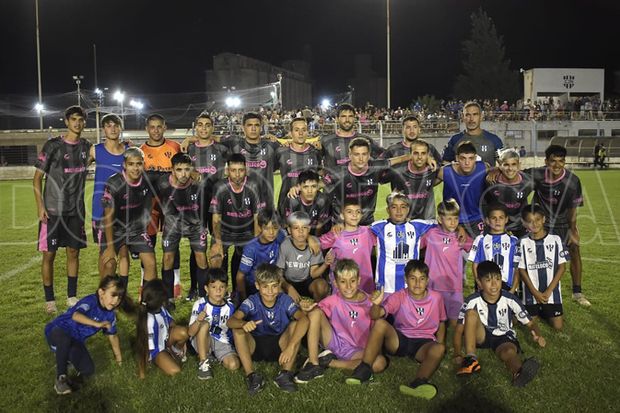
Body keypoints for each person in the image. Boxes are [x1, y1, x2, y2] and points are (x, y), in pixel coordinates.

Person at [345, 260, 446, 400]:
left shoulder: (436, 298)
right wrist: (375, 305)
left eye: (421, 279)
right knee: (380, 324)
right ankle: (365, 368)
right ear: (405, 279)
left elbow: (441, 322)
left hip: (424, 343)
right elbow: (375, 315)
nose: (417, 283)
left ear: (427, 280)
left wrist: (439, 344)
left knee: (439, 348)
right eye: (413, 278)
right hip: (400, 339)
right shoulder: (399, 296)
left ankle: (418, 383)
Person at [34, 106, 92, 313]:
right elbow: (37, 178)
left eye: (81, 120)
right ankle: (49, 300)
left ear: (84, 123)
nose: (77, 123)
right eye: (73, 119)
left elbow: (108, 152)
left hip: (75, 211)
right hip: (52, 210)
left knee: (73, 252)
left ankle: (71, 297)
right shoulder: (52, 146)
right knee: (49, 255)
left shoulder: (87, 146)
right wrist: (40, 206)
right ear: (66, 122)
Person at [294, 259, 387, 384]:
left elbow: (378, 329)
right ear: (336, 284)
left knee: (379, 363)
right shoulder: (332, 300)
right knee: (315, 313)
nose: (348, 286)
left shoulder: (370, 301)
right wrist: (306, 309)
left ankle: (329, 362)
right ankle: (313, 363)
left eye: (352, 281)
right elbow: (314, 315)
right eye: (343, 282)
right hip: (334, 342)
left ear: (359, 280)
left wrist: (376, 306)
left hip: (357, 350)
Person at [456, 261, 546, 387]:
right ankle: (471, 359)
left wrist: (537, 335)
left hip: (503, 336)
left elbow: (530, 323)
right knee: (471, 314)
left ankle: (518, 373)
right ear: (479, 283)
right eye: (488, 280)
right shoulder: (472, 300)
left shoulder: (510, 298)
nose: (494, 284)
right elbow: (459, 329)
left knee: (508, 351)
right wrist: (457, 353)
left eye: (497, 279)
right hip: (481, 335)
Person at [227, 264, 309, 394]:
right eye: (265, 286)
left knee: (295, 325)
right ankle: (251, 376)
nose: (270, 291)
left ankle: (285, 374)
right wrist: (243, 324)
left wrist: (291, 347)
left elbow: (304, 319)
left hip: (280, 345)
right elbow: (230, 321)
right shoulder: (252, 301)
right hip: (255, 345)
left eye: (274, 286)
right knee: (238, 329)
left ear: (279, 285)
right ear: (257, 286)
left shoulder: (285, 300)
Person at [528, 145, 590, 307]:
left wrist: (573, 230)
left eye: (561, 161)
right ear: (546, 161)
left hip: (562, 223)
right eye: (552, 161)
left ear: (565, 162)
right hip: (541, 224)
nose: (556, 165)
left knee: (575, 249)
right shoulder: (537, 174)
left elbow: (572, 210)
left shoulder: (573, 181)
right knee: (535, 257)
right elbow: (514, 175)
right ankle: (533, 291)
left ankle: (577, 292)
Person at [44, 275, 124, 395]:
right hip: (57, 330)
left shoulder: (110, 315)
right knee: (65, 339)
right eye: (113, 295)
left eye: (119, 297)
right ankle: (60, 378)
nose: (116, 301)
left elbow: (112, 336)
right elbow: (76, 316)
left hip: (74, 340)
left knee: (88, 370)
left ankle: (67, 361)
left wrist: (119, 360)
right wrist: (96, 324)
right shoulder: (90, 301)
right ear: (101, 292)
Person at [156, 153, 209, 308]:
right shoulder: (162, 183)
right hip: (173, 225)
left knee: (201, 258)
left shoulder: (199, 185)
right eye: (179, 170)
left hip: (195, 225)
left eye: (187, 169)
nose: (184, 174)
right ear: (172, 170)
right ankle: (168, 298)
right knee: (167, 259)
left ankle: (203, 297)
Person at [186, 112, 229, 300]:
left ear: (212, 128)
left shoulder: (221, 148)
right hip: (196, 205)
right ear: (196, 127)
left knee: (221, 246)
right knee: (197, 248)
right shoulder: (188, 148)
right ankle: (195, 287)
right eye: (200, 125)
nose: (204, 128)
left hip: (219, 204)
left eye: (207, 125)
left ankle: (223, 286)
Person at [99, 148, 157, 285]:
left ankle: (146, 303)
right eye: (131, 164)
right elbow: (108, 217)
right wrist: (111, 247)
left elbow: (171, 174)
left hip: (136, 230)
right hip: (114, 229)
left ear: (144, 164)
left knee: (151, 262)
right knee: (109, 264)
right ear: (124, 165)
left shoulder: (148, 179)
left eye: (139, 164)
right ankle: (105, 302)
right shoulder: (114, 183)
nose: (135, 168)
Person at [140, 113, 183, 297]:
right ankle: (145, 283)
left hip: (171, 203)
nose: (156, 130)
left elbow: (182, 172)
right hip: (150, 205)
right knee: (147, 243)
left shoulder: (174, 147)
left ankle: (176, 284)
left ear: (164, 127)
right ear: (147, 129)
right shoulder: (141, 151)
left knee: (172, 244)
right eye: (152, 127)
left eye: (159, 126)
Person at [327, 137, 410, 226]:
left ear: (369, 155)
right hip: (342, 226)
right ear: (350, 155)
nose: (361, 158)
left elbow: (398, 160)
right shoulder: (337, 172)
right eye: (356, 154)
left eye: (364, 154)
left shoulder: (375, 167)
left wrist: (417, 156)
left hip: (367, 224)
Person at [209, 153, 261, 287]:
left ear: (246, 170)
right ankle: (220, 293)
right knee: (216, 258)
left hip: (246, 232)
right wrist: (218, 243)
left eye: (241, 170)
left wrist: (256, 243)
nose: (237, 174)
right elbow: (216, 219)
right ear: (227, 171)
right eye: (233, 170)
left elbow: (257, 217)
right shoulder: (220, 187)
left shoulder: (253, 185)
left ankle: (238, 292)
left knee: (249, 262)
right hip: (224, 231)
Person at [420, 199, 473, 327]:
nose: (453, 222)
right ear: (440, 219)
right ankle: (439, 344)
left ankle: (455, 346)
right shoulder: (430, 234)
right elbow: (415, 244)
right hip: (434, 287)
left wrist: (462, 230)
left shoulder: (460, 237)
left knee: (457, 323)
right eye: (449, 219)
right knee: (436, 323)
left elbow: (476, 247)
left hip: (454, 288)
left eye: (456, 218)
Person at [372, 192, 436, 295]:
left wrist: (460, 228)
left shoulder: (417, 226)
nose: (399, 211)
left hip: (410, 285)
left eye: (403, 207)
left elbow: (442, 221)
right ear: (388, 210)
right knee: (384, 311)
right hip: (386, 285)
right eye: (394, 207)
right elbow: (358, 229)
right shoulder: (378, 227)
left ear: (408, 210)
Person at [518, 205, 567, 330]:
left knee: (558, 327)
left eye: (537, 219)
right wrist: (535, 292)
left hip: (551, 293)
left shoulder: (556, 239)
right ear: (524, 223)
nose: (534, 224)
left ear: (544, 219)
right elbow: (521, 270)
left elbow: (562, 267)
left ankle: (545, 311)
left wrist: (549, 290)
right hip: (531, 293)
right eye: (529, 221)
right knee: (529, 326)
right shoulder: (522, 243)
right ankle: (535, 310)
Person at [220, 112, 281, 210]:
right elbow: (210, 139)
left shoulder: (272, 145)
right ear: (243, 127)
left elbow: (291, 147)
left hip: (266, 205)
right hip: (238, 205)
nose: (253, 128)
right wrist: (188, 140)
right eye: (249, 125)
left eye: (256, 125)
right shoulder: (234, 143)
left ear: (261, 127)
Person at [188, 268, 240, 380]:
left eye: (222, 287)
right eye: (214, 287)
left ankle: (213, 355)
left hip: (221, 340)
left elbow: (231, 329)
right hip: (201, 338)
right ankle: (203, 363)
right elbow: (190, 332)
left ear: (226, 288)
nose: (218, 291)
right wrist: (198, 320)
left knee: (234, 365)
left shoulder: (230, 307)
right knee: (205, 324)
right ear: (206, 289)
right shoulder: (200, 304)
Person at [320, 103, 384, 189]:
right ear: (337, 119)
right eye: (343, 116)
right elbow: (312, 162)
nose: (347, 119)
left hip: (360, 193)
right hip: (334, 194)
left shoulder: (365, 140)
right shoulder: (326, 141)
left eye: (350, 116)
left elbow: (384, 156)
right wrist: (324, 173)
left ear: (354, 118)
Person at [320, 199, 376, 293]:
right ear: (342, 215)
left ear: (361, 215)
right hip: (343, 285)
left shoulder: (368, 232)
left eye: (358, 212)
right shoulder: (336, 233)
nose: (354, 215)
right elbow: (315, 244)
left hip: (365, 283)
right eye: (349, 212)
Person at [136, 279, 189, 378]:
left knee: (184, 332)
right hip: (156, 351)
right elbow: (144, 347)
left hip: (165, 341)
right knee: (176, 371)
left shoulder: (161, 309)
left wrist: (179, 339)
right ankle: (160, 360)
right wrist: (142, 372)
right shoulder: (149, 320)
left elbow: (171, 322)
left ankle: (175, 351)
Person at [438, 140, 490, 237]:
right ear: (457, 158)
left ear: (475, 158)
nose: (467, 162)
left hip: (476, 218)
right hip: (452, 219)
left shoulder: (483, 168)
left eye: (470, 158)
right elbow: (426, 182)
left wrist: (496, 170)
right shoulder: (445, 172)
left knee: (479, 249)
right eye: (463, 158)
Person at [277, 212, 331, 302]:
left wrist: (325, 264)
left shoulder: (314, 244)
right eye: (296, 228)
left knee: (322, 286)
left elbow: (313, 273)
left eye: (304, 228)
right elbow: (279, 273)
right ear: (289, 230)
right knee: (276, 288)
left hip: (306, 281)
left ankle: (318, 310)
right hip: (288, 281)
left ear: (309, 229)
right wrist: (289, 287)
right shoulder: (285, 244)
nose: (300, 231)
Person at [468, 204, 521, 293]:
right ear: (487, 221)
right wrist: (479, 283)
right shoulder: (480, 240)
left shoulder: (514, 241)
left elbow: (517, 267)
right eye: (494, 218)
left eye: (501, 217)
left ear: (506, 219)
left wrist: (513, 289)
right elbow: (475, 263)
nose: (497, 221)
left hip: (507, 286)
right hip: (485, 285)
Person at [236, 208, 286, 301]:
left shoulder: (280, 236)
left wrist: (310, 238)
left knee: (284, 300)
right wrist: (243, 299)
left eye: (275, 228)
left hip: (273, 281)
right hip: (255, 286)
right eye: (266, 228)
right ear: (260, 227)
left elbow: (293, 239)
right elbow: (240, 276)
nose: (271, 232)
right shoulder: (251, 248)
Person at [483, 148, 533, 238]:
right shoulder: (491, 181)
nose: (510, 168)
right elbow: (485, 202)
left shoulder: (528, 182)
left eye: (514, 164)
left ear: (519, 165)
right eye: (506, 165)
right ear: (500, 165)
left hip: (520, 227)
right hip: (498, 226)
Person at [386, 138, 440, 220]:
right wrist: (403, 158)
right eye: (416, 153)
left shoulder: (433, 169)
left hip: (427, 222)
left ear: (428, 155)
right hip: (405, 221)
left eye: (423, 153)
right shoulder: (398, 171)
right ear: (410, 154)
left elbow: (449, 172)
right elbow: (379, 168)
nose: (419, 157)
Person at [275, 117, 321, 210]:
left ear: (307, 132)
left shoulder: (315, 151)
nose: (300, 133)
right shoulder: (281, 151)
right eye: (296, 130)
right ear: (290, 133)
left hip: (311, 206)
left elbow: (321, 174)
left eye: (304, 130)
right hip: (286, 204)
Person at [442, 101, 503, 167]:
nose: (471, 119)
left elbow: (503, 163)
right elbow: (444, 162)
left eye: (475, 114)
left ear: (481, 116)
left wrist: (494, 171)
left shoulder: (494, 140)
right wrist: (455, 167)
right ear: (463, 117)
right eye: (468, 115)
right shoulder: (455, 140)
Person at [381, 115, 441, 179]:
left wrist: (428, 185)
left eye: (415, 127)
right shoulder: (393, 149)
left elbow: (441, 170)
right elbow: (378, 170)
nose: (412, 130)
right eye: (408, 127)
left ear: (419, 129)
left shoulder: (430, 148)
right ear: (402, 130)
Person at [279, 169, 331, 236]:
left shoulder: (322, 200)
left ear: (318, 186)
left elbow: (319, 226)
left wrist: (313, 240)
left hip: (314, 234)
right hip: (295, 235)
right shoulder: (292, 200)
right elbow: (289, 226)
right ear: (299, 187)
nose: (310, 191)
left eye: (313, 186)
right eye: (305, 187)